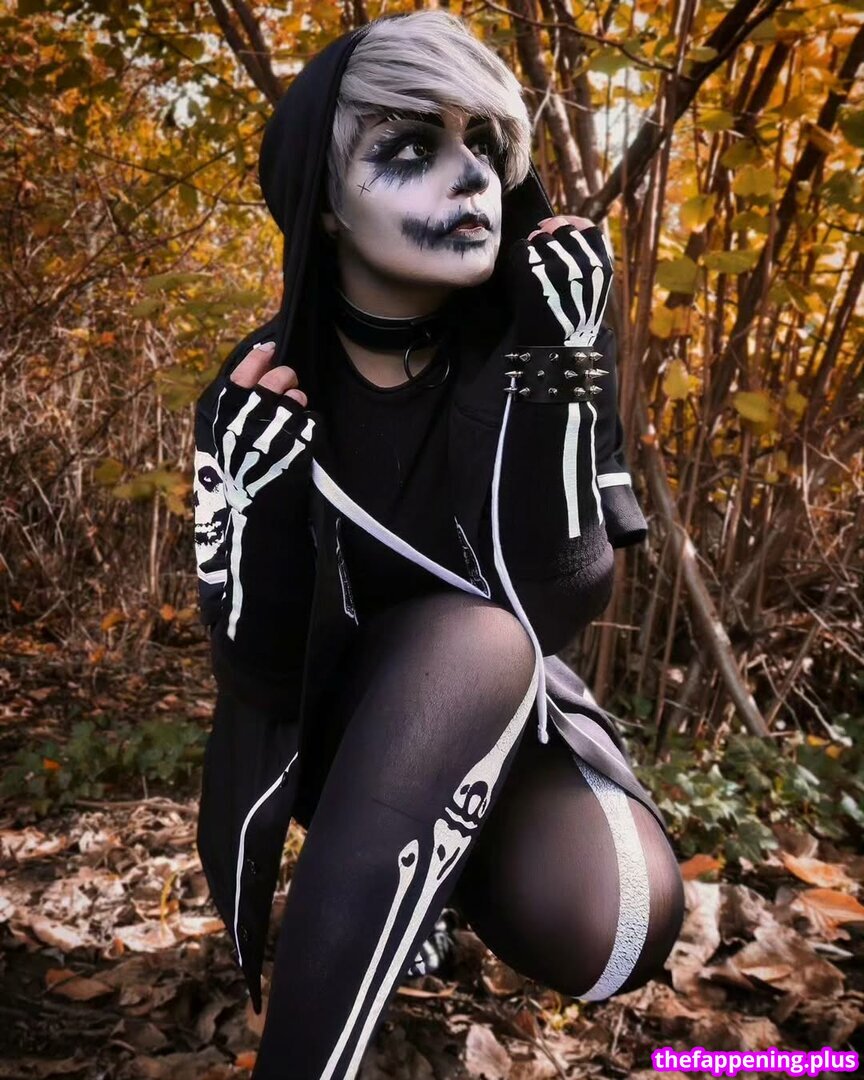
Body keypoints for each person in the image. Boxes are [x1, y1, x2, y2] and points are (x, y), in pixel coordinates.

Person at [192, 11, 684, 1079]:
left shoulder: (541, 337)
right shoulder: (259, 388)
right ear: (325, 202)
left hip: (504, 714)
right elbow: (260, 675)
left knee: (619, 924)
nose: (472, 179)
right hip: (326, 736)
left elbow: (554, 604)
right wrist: (257, 504)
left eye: (488, 145)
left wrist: (561, 372)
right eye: (411, 148)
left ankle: (429, 882)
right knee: (473, 639)